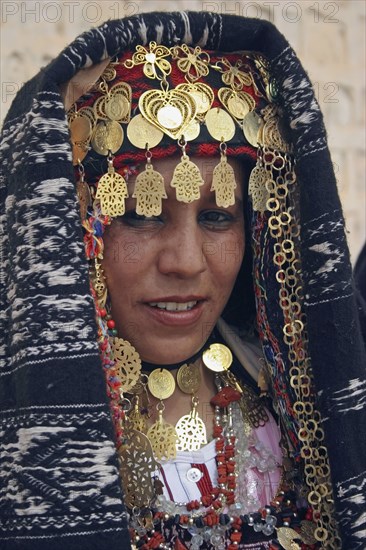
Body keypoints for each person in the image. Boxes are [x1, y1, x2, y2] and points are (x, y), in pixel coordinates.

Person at [0, 10, 365, 550]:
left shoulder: (306, 408)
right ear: (70, 225)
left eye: (218, 216)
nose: (187, 262)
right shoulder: (21, 444)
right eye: (142, 216)